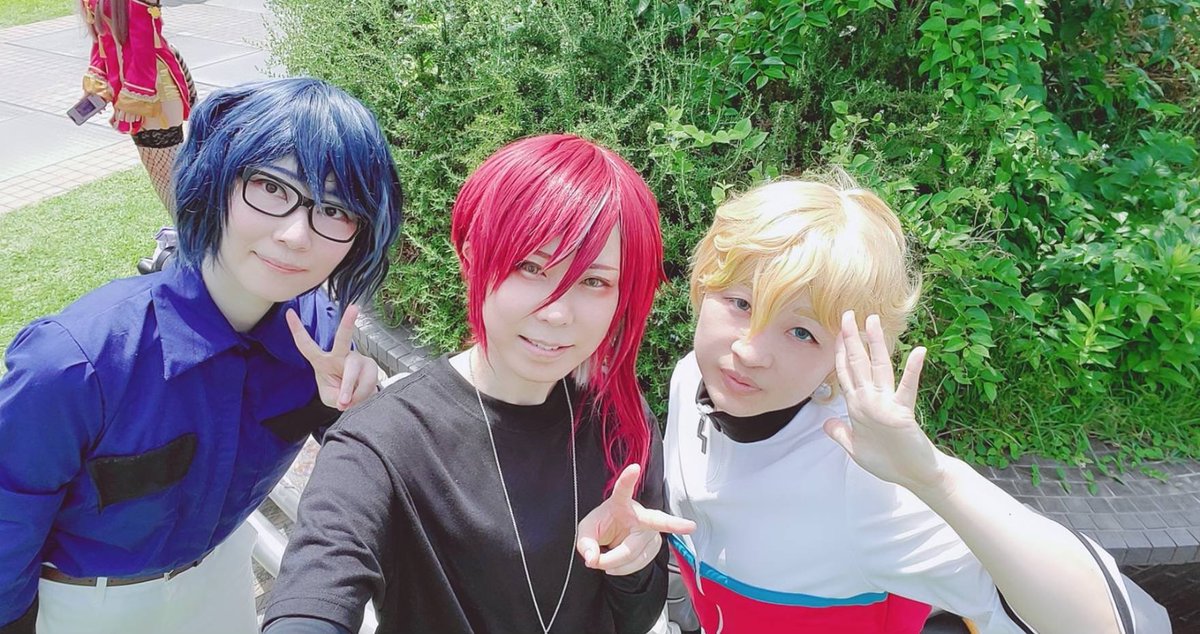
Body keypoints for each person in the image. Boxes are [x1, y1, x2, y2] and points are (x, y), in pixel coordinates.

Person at [662, 176, 1167, 633]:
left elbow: (1109, 623)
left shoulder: (861, 484)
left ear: (842, 358)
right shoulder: (693, 379)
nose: (750, 351)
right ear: (703, 285)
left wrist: (935, 480)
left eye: (801, 332)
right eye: (741, 303)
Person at [0, 77, 403, 634]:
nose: (296, 235)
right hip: (87, 605)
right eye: (271, 186)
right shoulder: (76, 362)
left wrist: (358, 407)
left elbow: (373, 475)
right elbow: (8, 520)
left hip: (224, 573)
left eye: (336, 210)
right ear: (215, 182)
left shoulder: (318, 336)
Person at [262, 133, 695, 634]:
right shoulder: (383, 442)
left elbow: (634, 618)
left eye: (594, 281)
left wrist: (631, 562)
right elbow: (315, 590)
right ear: (472, 259)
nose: (557, 312)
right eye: (530, 267)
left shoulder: (619, 420)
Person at [80, 0, 196, 212]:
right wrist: (97, 83)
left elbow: (144, 47)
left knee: (168, 172)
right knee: (159, 172)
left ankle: (196, 229)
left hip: (154, 87)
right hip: (132, 88)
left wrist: (134, 98)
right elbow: (103, 41)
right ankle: (189, 229)